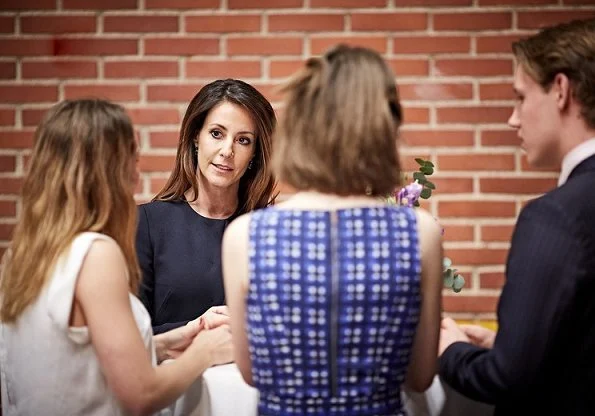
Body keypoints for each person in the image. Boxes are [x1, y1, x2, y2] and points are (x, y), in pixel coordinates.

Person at [223, 45, 444, 416]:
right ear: (384, 127)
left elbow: (250, 373)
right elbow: (421, 377)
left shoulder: (245, 236)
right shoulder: (418, 233)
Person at [0, 99, 232, 415]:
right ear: (106, 170)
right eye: (131, 162)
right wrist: (205, 351)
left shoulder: (21, 255)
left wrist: (172, 340)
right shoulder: (95, 254)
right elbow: (141, 394)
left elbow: (79, 358)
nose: (135, 177)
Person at [438, 18, 595, 415]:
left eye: (521, 97)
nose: (513, 118)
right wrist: (516, 348)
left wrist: (450, 349)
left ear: (560, 91)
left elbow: (503, 378)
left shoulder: (556, 216)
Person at [136, 79, 277, 334]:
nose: (227, 151)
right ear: (195, 138)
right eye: (216, 134)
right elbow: (132, 335)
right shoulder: (146, 224)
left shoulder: (270, 228)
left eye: (243, 140)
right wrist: (200, 327)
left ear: (255, 153)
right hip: (173, 373)